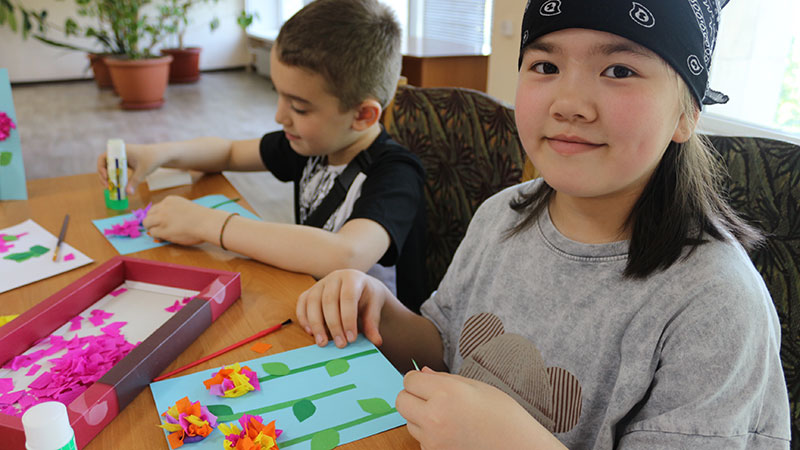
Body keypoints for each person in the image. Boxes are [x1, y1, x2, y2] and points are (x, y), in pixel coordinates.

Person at [295, 0, 791, 448]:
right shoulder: (501, 214)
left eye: (619, 70)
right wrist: (379, 309)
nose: (568, 103)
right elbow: (447, 348)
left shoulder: (716, 303)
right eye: (546, 66)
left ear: (686, 114)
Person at [96, 0, 429, 311]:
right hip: (313, 304)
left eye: (298, 107)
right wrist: (157, 153)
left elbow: (346, 255)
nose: (280, 116)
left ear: (363, 115)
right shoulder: (314, 144)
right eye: (278, 95)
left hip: (377, 342)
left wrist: (207, 224)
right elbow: (228, 152)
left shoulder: (396, 173)